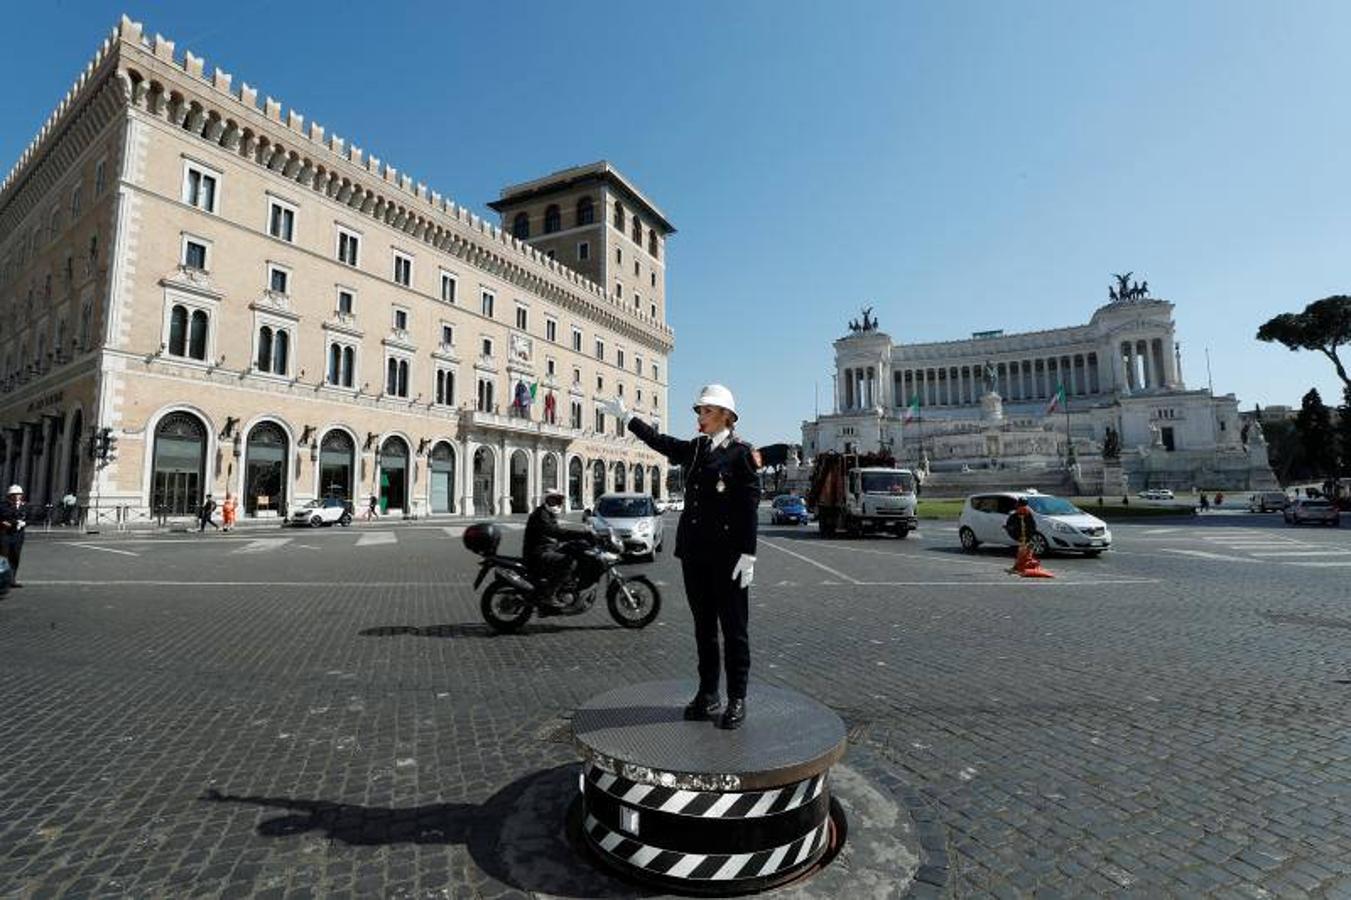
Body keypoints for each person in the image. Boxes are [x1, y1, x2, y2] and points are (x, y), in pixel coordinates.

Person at [602, 384, 760, 730]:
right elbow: (662, 443)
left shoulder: (741, 455)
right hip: (694, 556)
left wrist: (748, 555)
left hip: (728, 558)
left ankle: (737, 697)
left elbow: (749, 511)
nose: (699, 417)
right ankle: (708, 693)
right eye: (699, 411)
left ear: (725, 416)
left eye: (705, 411)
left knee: (734, 631)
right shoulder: (697, 449)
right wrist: (629, 418)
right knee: (704, 629)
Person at [523, 489, 588, 610]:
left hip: (547, 549)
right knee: (569, 563)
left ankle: (565, 587)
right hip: (539, 553)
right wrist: (582, 534)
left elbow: (557, 534)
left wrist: (577, 540)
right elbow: (555, 532)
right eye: (552, 500)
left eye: (557, 501)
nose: (555, 504)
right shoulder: (540, 515)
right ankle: (549, 595)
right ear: (545, 500)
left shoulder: (548, 514)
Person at [0, 485, 29, 588]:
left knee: (15, 557)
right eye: (15, 494)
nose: (17, 496)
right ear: (10, 495)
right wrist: (7, 522)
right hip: (5, 535)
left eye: (19, 494)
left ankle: (12, 579)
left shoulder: (24, 506)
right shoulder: (3, 505)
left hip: (18, 535)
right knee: (4, 558)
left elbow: (28, 517)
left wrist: (25, 523)